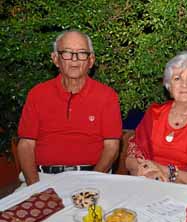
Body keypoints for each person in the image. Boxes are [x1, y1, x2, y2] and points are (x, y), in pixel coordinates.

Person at [17, 30, 122, 185]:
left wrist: (91, 183)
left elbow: (112, 147)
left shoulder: (107, 96)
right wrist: (34, 187)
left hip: (94, 176)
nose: (74, 60)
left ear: (91, 60)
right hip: (43, 178)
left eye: (81, 53)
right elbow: (26, 144)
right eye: (67, 53)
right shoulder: (37, 94)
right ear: (55, 59)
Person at [126, 51, 187, 185]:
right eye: (177, 78)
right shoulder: (154, 114)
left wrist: (167, 172)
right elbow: (131, 158)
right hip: (147, 184)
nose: (184, 84)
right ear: (169, 86)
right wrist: (146, 172)